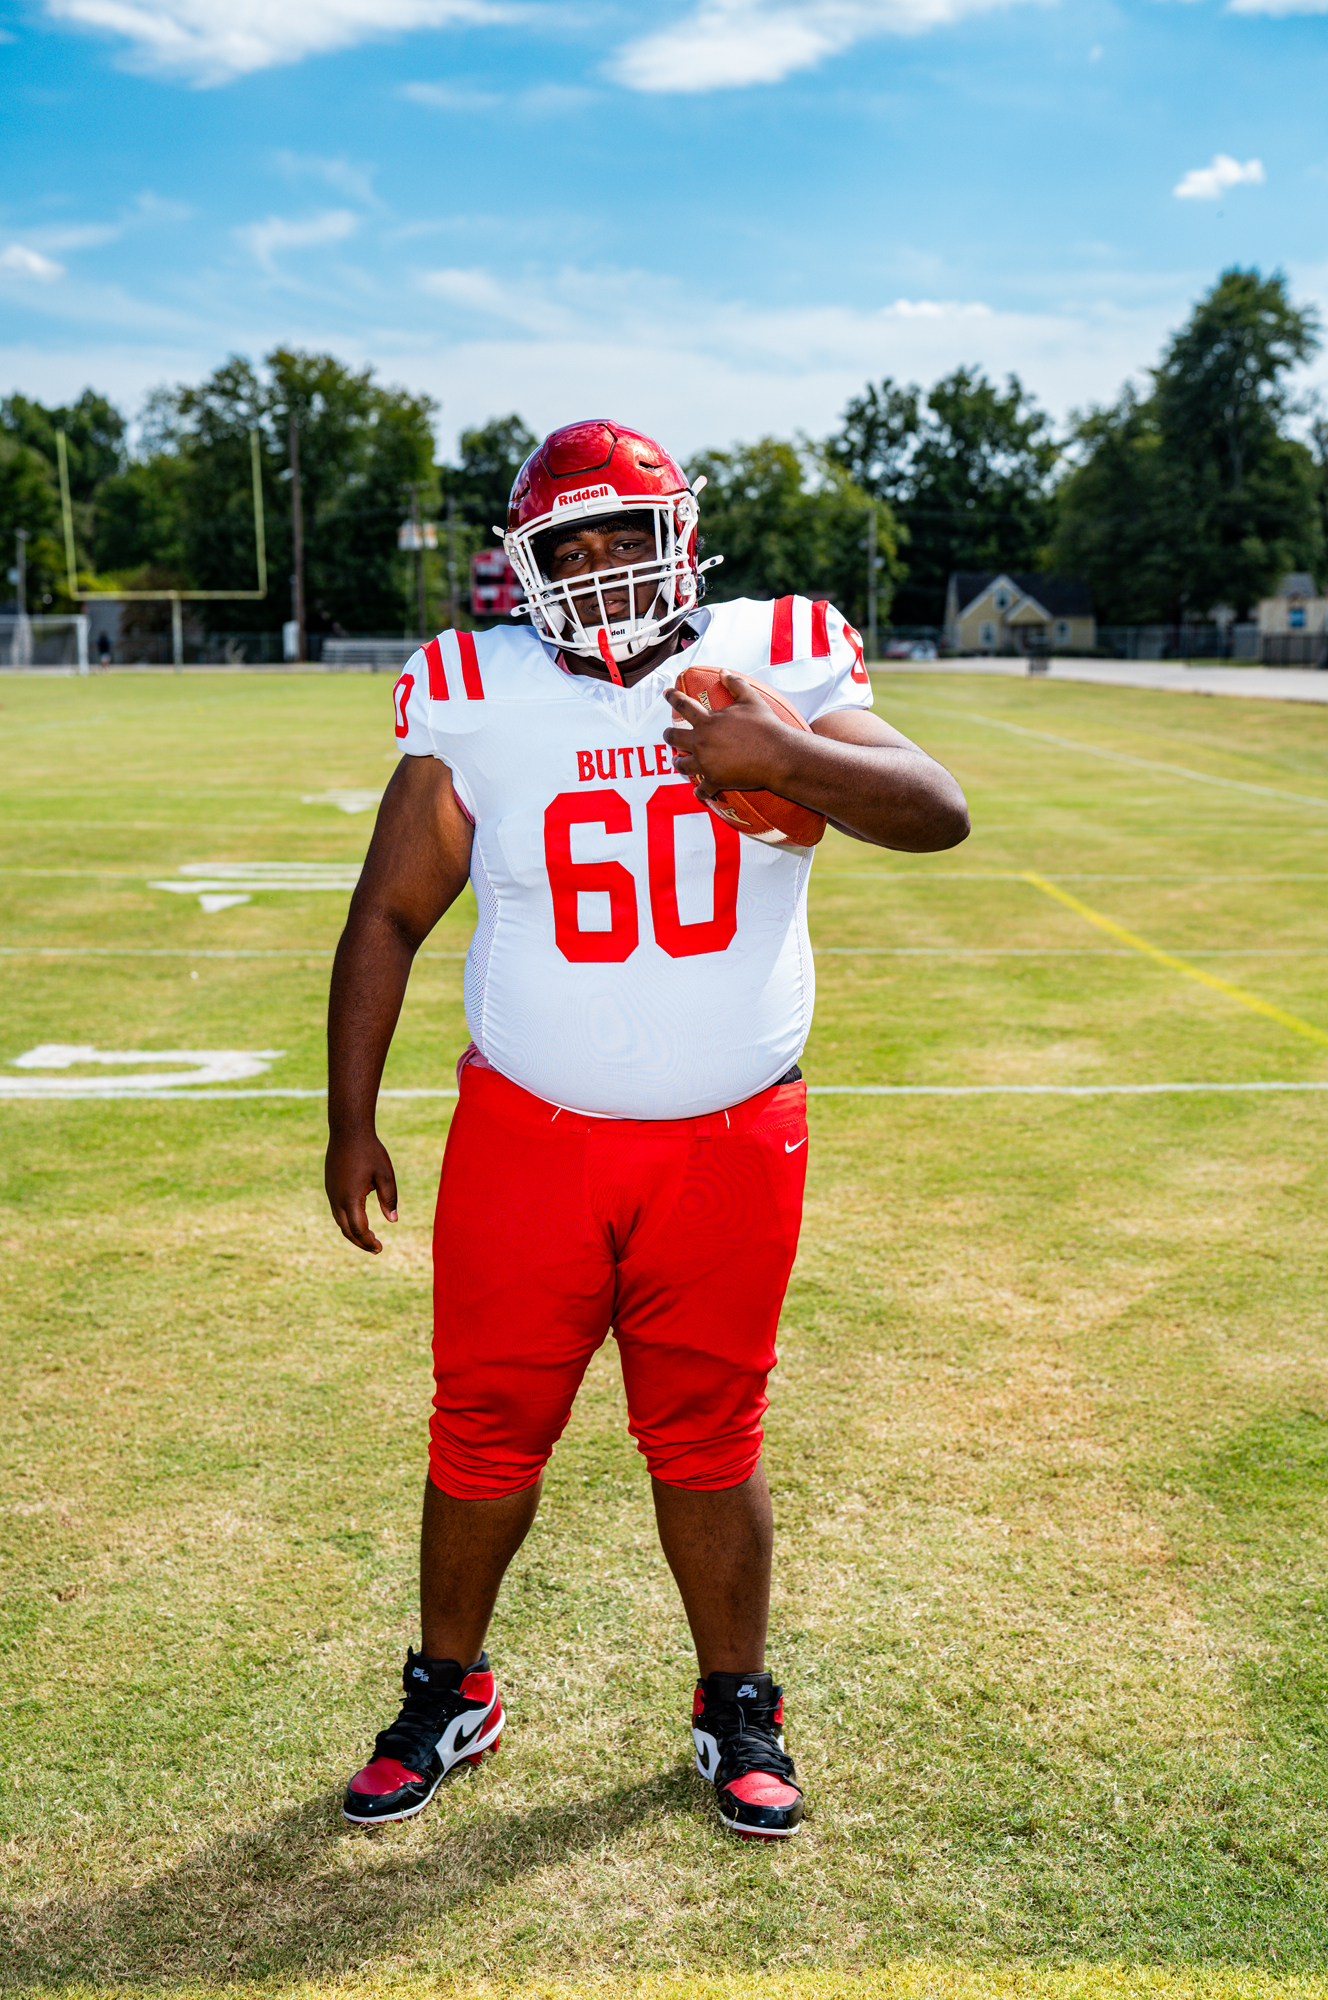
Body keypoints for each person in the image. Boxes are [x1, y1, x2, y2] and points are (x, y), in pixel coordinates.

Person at [325, 419, 969, 1840]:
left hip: (731, 1137)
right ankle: (447, 1692)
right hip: (527, 1134)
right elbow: (388, 912)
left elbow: (937, 812)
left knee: (713, 1434)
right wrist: (348, 1118)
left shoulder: (775, 653)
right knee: (483, 1427)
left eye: (629, 532)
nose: (605, 562)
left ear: (683, 537)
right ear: (528, 564)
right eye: (574, 543)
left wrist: (781, 752)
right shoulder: (473, 689)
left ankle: (738, 1703)